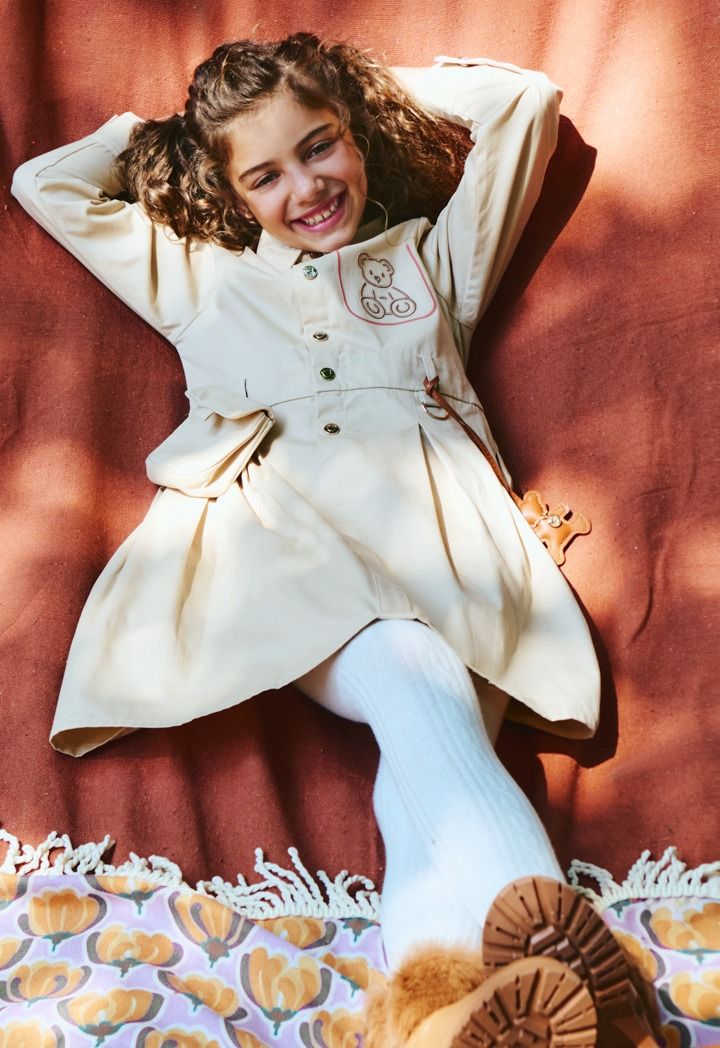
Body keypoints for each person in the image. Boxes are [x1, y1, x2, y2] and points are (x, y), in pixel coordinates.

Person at [11, 32, 656, 1047]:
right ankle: (578, 984)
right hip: (290, 553)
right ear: (230, 193)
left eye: (319, 146)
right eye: (264, 174)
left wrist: (353, 84)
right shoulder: (200, 279)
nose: (306, 187)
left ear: (354, 134)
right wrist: (177, 135)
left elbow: (523, 105)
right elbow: (45, 182)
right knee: (408, 674)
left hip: (456, 558)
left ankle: (438, 1021)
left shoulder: (429, 263)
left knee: (422, 782)